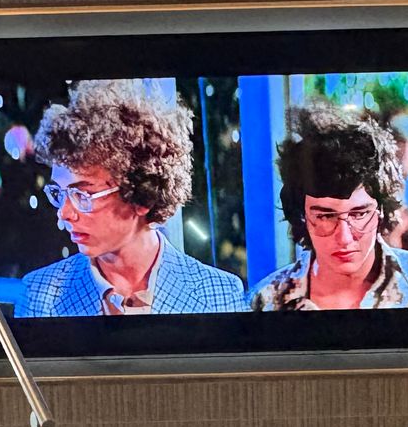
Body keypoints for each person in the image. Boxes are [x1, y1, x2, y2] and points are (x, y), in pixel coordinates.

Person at [14, 80, 247, 317]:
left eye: (82, 194)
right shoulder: (39, 296)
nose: (64, 213)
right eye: (59, 194)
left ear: (142, 197)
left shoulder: (220, 295)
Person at [250, 103, 408, 311]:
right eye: (325, 216)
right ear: (301, 215)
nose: (344, 237)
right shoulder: (267, 301)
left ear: (381, 211)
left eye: (359, 214)